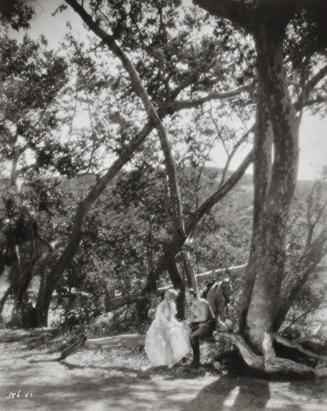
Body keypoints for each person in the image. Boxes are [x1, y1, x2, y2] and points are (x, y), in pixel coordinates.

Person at [145, 288, 191, 368]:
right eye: (170, 297)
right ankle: (168, 362)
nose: (172, 299)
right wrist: (171, 326)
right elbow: (163, 320)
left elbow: (171, 317)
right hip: (160, 326)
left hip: (168, 324)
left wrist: (177, 324)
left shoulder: (172, 304)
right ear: (166, 296)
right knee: (167, 343)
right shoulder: (161, 306)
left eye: (173, 298)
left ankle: (177, 359)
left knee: (181, 332)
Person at [186, 288, 215, 368]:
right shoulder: (192, 305)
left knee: (193, 336)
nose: (186, 298)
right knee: (185, 331)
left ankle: (196, 362)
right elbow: (192, 317)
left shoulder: (202, 303)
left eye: (187, 296)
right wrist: (187, 322)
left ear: (192, 296)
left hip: (208, 325)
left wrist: (193, 320)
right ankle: (187, 357)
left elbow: (205, 318)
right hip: (199, 324)